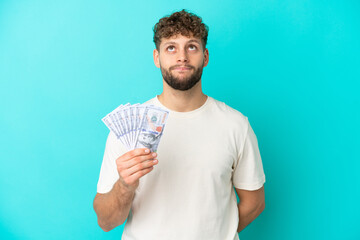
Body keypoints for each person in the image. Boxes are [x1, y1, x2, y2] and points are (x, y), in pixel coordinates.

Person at [93, 9, 266, 240]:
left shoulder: (236, 125)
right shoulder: (130, 128)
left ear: (205, 56)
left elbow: (254, 203)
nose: (181, 56)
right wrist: (125, 185)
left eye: (191, 47)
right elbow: (105, 222)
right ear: (157, 57)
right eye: (171, 47)